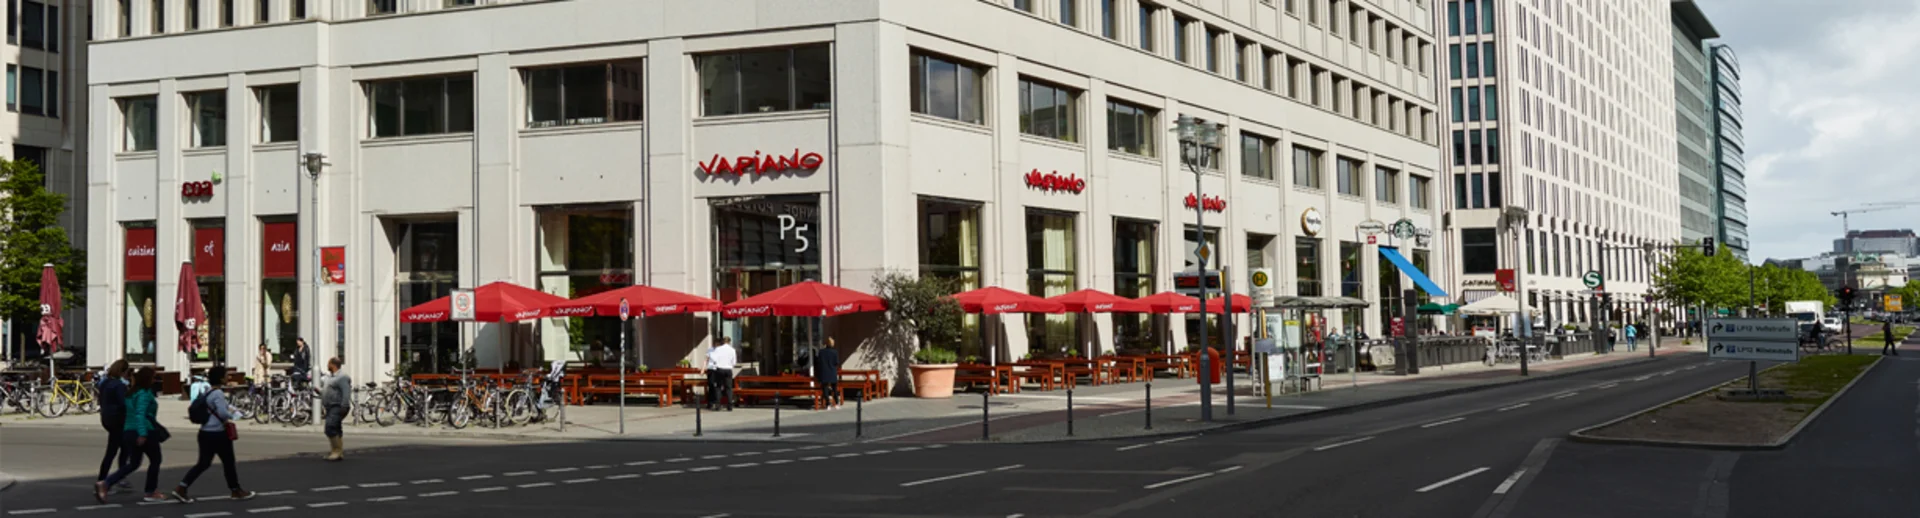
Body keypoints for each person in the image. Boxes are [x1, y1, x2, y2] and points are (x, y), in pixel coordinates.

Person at [170, 364, 256, 503]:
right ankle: (236, 490)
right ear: (221, 378)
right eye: (226, 376)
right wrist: (234, 415)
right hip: (218, 433)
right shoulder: (218, 394)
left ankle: (182, 487)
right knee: (228, 462)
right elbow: (222, 413)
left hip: (205, 432)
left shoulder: (208, 392)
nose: (228, 378)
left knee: (203, 463)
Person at [98, 367, 168, 503]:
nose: (155, 380)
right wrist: (142, 433)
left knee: (134, 463)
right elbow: (140, 414)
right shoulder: (143, 394)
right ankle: (150, 491)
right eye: (153, 377)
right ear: (147, 379)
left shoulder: (131, 393)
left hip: (129, 430)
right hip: (144, 430)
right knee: (155, 460)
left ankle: (106, 483)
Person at [96, 360, 132, 492]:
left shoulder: (105, 382)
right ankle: (105, 480)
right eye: (127, 372)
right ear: (123, 371)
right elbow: (123, 403)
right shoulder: (119, 385)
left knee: (121, 448)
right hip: (118, 420)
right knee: (115, 451)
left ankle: (116, 477)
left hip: (107, 417)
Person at [319, 357, 351, 461]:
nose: (327, 365)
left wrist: (344, 405)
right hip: (330, 406)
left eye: (328, 363)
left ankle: (336, 451)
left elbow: (346, 392)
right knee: (336, 428)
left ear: (333, 365)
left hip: (337, 406)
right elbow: (328, 391)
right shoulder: (329, 377)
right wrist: (319, 392)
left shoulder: (342, 377)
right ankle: (337, 451)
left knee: (330, 427)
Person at [705, 337, 737, 411]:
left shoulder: (718, 349)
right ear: (729, 342)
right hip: (728, 369)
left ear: (722, 342)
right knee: (729, 387)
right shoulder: (732, 350)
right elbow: (734, 362)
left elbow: (714, 359)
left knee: (718, 387)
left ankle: (718, 405)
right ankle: (729, 405)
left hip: (719, 369)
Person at [814, 339, 841, 409]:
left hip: (824, 372)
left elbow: (818, 362)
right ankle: (836, 403)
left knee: (825, 388)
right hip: (832, 371)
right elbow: (836, 363)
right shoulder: (835, 352)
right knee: (834, 388)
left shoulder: (821, 352)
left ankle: (828, 404)